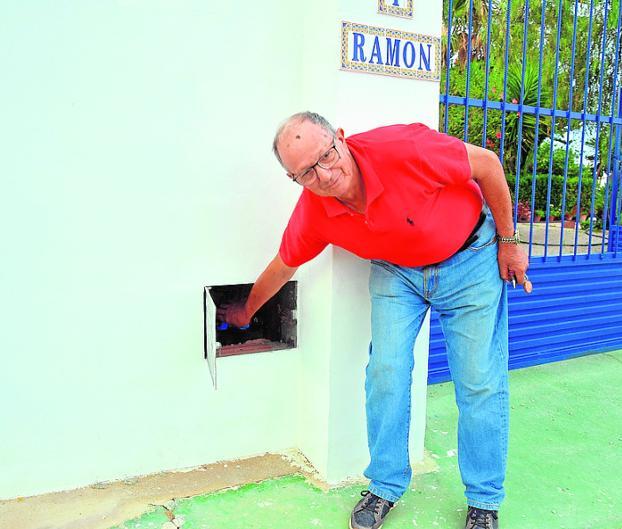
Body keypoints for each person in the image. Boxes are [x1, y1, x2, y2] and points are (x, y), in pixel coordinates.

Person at [217, 111, 529, 529]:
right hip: (397, 272)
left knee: (479, 380)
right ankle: (385, 485)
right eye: (305, 173)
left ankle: (484, 500)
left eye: (326, 156)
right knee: (386, 372)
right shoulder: (315, 210)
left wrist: (509, 242)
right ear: (295, 179)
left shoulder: (405, 149)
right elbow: (282, 265)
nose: (324, 175)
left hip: (469, 258)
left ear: (340, 138)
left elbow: (488, 163)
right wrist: (244, 311)